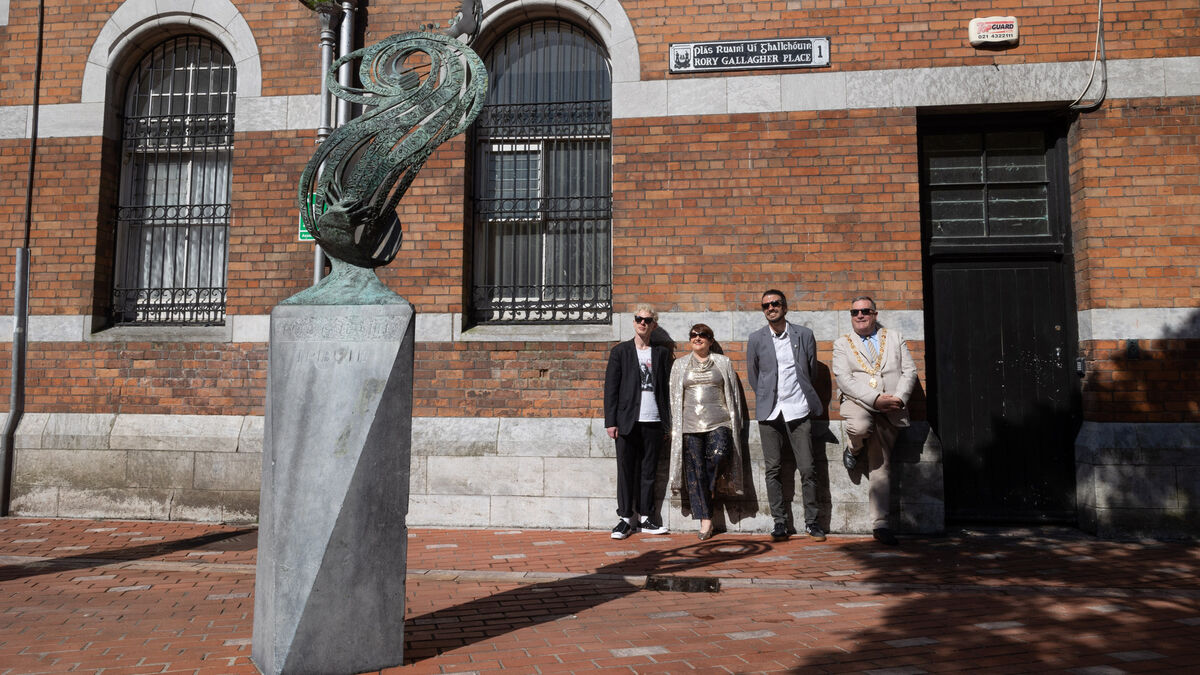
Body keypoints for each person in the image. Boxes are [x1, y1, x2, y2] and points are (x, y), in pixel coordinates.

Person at [832, 296, 918, 546]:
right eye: (855, 312)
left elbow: (909, 371)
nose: (860, 315)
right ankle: (853, 447)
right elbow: (844, 379)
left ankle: (880, 524)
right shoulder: (842, 343)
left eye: (865, 311)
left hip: (891, 406)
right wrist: (874, 399)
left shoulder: (895, 337)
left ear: (875, 314)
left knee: (881, 465)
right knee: (860, 426)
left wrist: (899, 398)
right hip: (858, 401)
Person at [746, 289, 826, 542]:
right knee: (773, 469)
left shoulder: (804, 335)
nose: (771, 308)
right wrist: (766, 396)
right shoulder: (756, 338)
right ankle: (779, 521)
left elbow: (810, 371)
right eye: (766, 305)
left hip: (798, 409)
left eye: (775, 303)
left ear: (785, 306)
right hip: (769, 411)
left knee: (808, 468)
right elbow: (754, 375)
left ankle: (812, 522)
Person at [666, 324, 748, 540]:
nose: (697, 338)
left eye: (703, 335)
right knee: (696, 472)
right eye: (694, 335)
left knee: (719, 454)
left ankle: (712, 486)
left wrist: (737, 423)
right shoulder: (680, 365)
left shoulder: (723, 362)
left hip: (720, 422)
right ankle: (706, 520)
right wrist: (674, 426)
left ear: (711, 340)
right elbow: (673, 397)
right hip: (689, 425)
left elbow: (734, 395)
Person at [603, 304, 672, 539]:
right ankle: (624, 519)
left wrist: (667, 424)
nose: (643, 323)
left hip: (654, 420)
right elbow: (611, 389)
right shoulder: (620, 352)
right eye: (639, 319)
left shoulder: (661, 353)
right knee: (625, 470)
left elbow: (666, 391)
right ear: (634, 322)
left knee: (648, 471)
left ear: (654, 325)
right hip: (626, 421)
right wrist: (610, 421)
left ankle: (646, 518)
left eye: (647, 320)